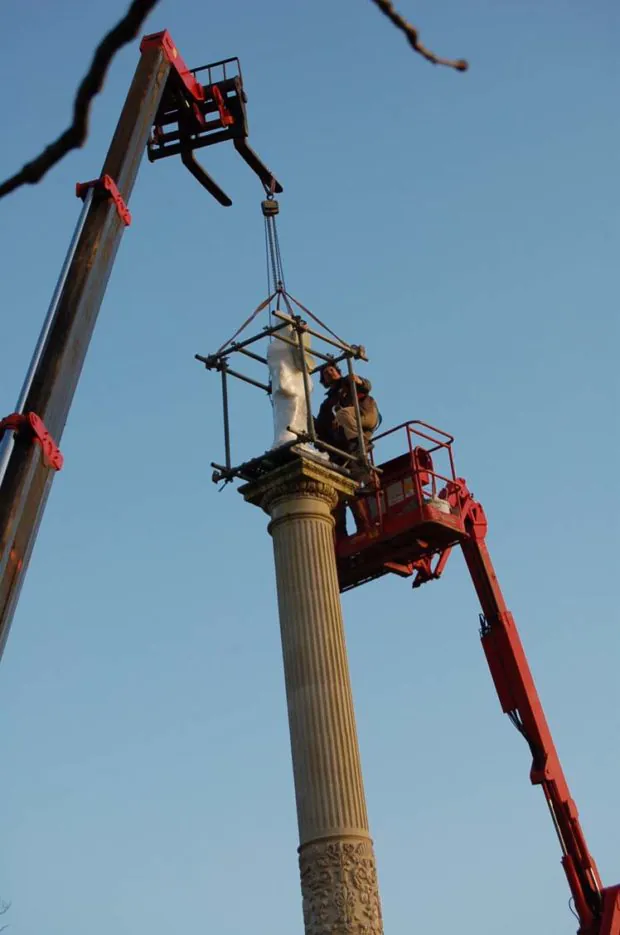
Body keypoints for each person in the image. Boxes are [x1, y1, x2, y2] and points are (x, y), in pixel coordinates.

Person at [314, 362, 380, 535]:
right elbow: (322, 428)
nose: (330, 373)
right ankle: (349, 531)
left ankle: (360, 449)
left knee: (343, 416)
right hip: (346, 440)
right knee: (348, 484)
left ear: (337, 372)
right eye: (326, 373)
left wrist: (358, 380)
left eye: (331, 370)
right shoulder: (327, 403)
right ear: (324, 381)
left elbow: (366, 386)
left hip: (364, 413)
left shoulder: (347, 383)